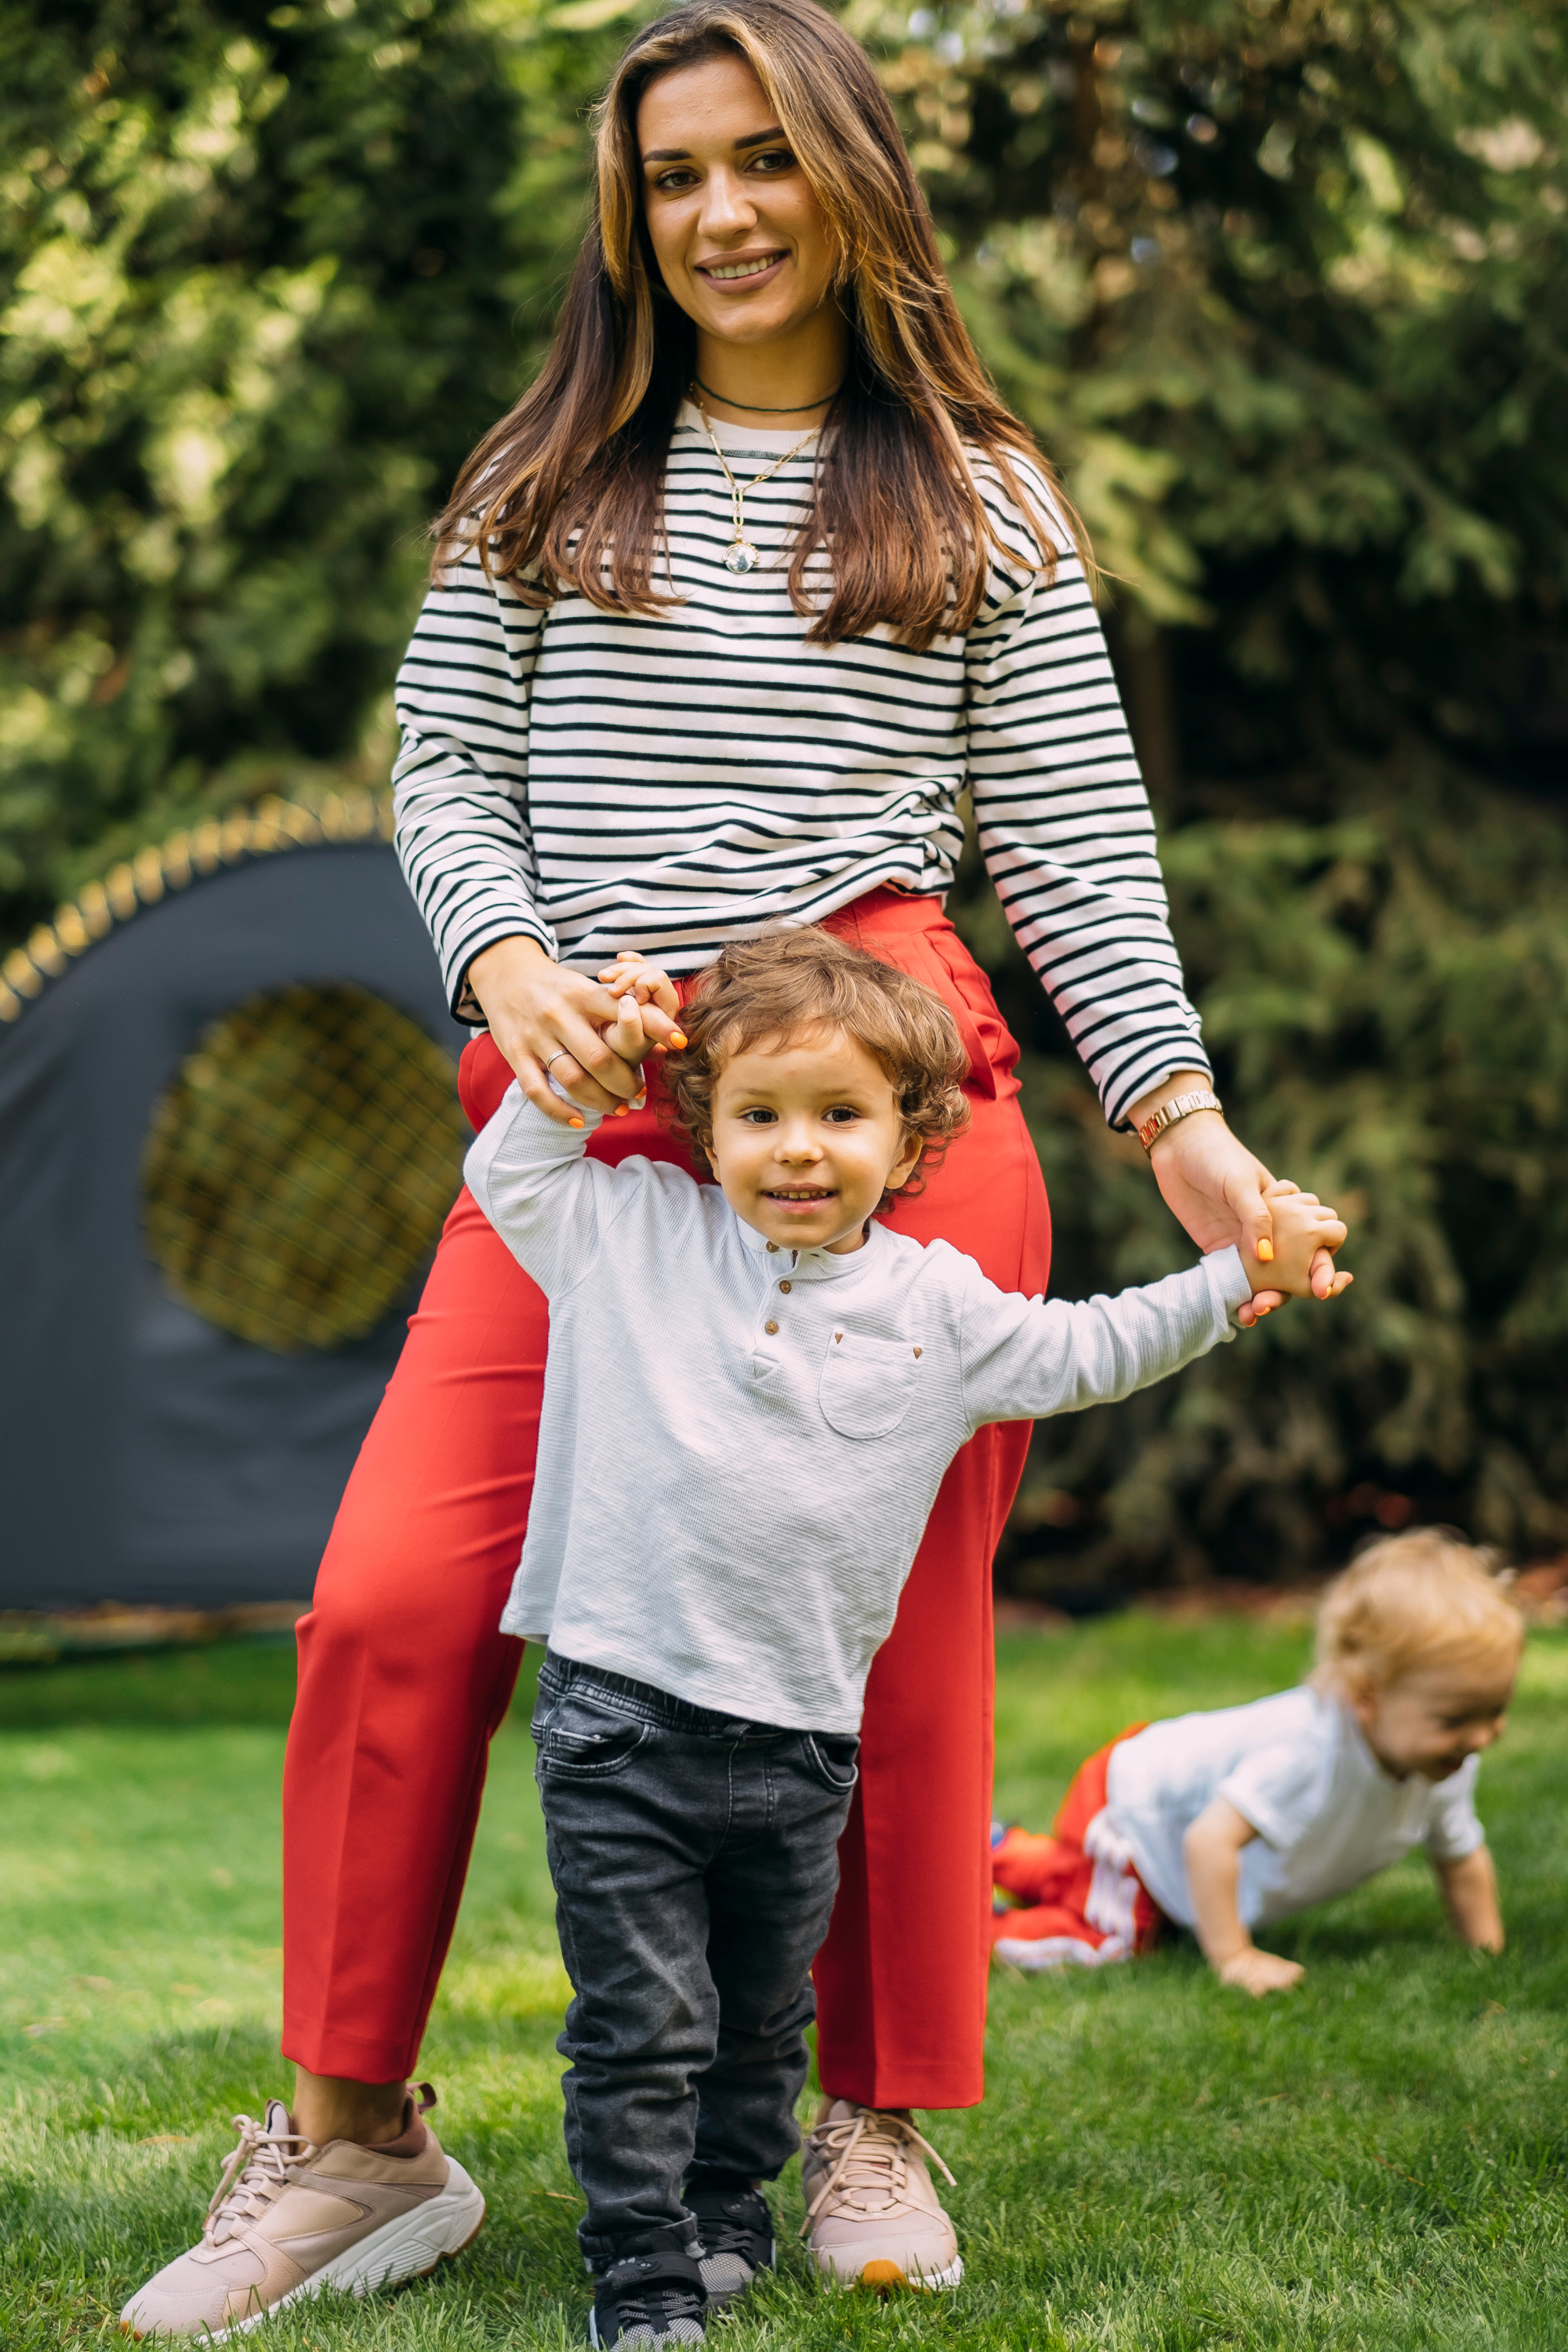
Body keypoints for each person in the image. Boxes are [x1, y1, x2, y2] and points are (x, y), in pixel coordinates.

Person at [121, 0, 1350, 2336]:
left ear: (850, 174)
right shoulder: (544, 479)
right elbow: (443, 765)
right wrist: (502, 963)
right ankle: (354, 2144)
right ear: (629, 210)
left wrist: (1180, 1125)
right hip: (595, 1118)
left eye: (762, 158)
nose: (719, 212)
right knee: (393, 1603)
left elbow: (1075, 845)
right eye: (672, 172)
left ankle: (865, 2112)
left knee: (881, 1627)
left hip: (890, 1110)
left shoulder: (975, 495)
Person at [469, 927, 1348, 2343]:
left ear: (910, 1135)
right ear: (705, 1126)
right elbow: (509, 1171)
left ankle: (726, 2214)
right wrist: (598, 1060)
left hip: (803, 1741)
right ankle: (639, 2273)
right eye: (759, 1115)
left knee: (762, 2020)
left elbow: (1094, 1347)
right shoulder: (625, 1232)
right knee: (641, 2024)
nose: (797, 1149)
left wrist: (1240, 1272)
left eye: (840, 1115)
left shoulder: (939, 1308)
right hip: (619, 1723)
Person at [990, 1530, 1519, 1987]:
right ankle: (972, 1932)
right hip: (1134, 1814)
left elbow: (1460, 1856)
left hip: (1151, 1816)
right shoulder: (1309, 1752)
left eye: (1496, 1712)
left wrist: (1486, 1953)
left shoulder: (1444, 1762)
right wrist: (1234, 1957)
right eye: (1454, 1720)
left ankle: (992, 1849)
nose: (1481, 1737)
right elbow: (1209, 1841)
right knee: (1113, 1939)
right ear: (1367, 1696)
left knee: (1074, 1877)